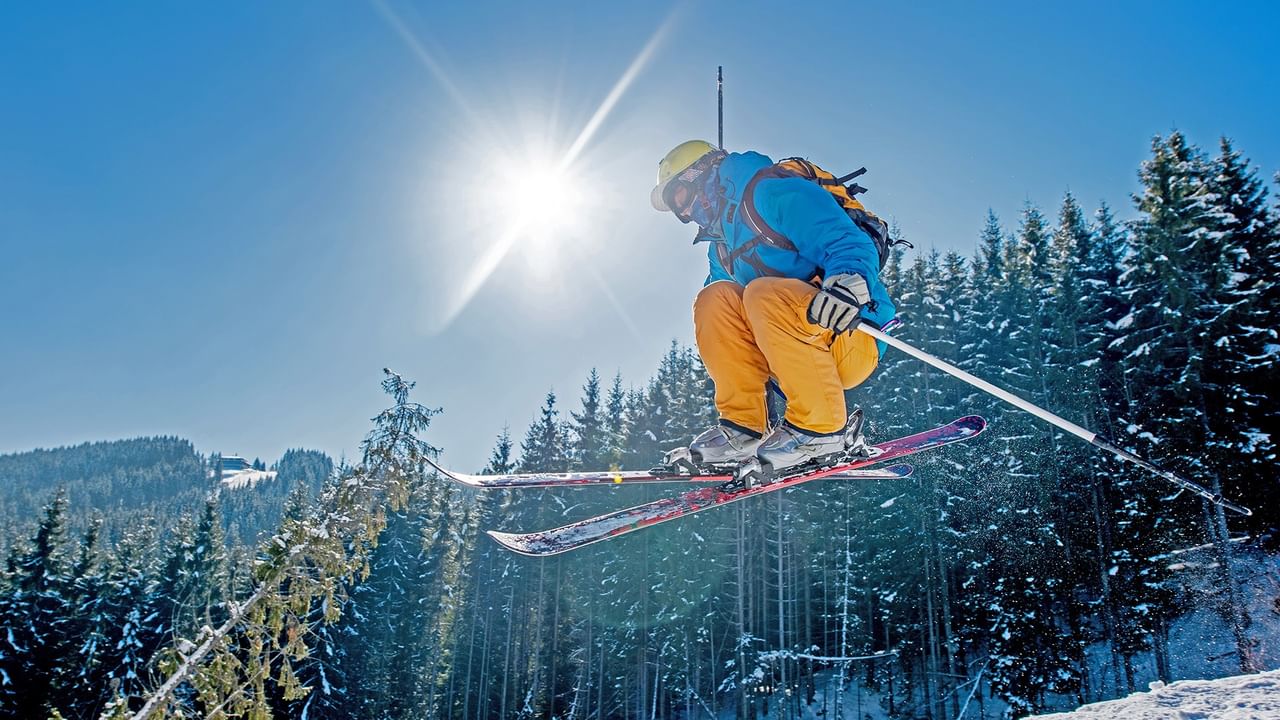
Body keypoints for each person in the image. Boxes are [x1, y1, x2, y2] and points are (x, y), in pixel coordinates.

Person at [650, 140, 897, 477]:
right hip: (789, 357)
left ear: (701, 172)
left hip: (845, 336)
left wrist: (847, 284)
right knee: (713, 298)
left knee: (761, 292)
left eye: (680, 197)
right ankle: (744, 429)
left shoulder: (769, 191)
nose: (686, 213)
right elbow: (727, 321)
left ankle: (820, 430)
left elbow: (846, 240)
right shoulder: (720, 247)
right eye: (677, 210)